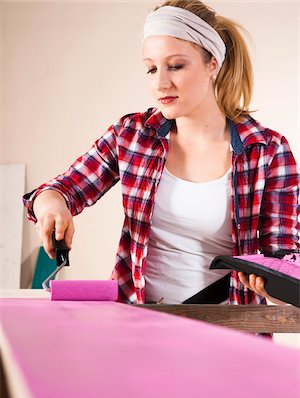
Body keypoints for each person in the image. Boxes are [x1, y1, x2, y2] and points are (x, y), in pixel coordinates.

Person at [23, 0, 299, 306]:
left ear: (213, 65)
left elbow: (284, 259)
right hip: (140, 325)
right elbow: (59, 190)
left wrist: (274, 285)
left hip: (229, 328)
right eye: (151, 69)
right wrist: (52, 207)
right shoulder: (132, 135)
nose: (160, 83)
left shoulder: (266, 151)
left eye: (176, 66)